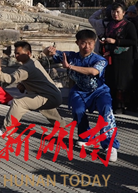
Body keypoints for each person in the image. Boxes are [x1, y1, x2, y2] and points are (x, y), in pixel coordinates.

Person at [43, 29, 119, 162]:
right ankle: (85, 137)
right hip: (79, 91)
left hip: (99, 91)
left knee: (106, 109)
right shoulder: (71, 56)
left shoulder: (99, 59)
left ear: (94, 43)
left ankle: (110, 145)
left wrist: (70, 67)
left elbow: (94, 71)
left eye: (90, 43)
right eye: (83, 43)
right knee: (78, 111)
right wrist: (48, 51)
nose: (87, 47)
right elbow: (49, 53)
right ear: (77, 43)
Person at [0, 41, 67, 137]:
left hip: (49, 97)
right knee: (37, 101)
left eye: (19, 53)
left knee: (18, 103)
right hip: (54, 95)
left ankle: (6, 130)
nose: (16, 55)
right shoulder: (34, 61)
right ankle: (59, 123)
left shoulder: (26, 68)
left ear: (28, 53)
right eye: (15, 53)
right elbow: (34, 78)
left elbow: (10, 79)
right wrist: (23, 85)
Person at [101, 3, 137, 114]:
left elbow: (133, 41)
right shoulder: (110, 24)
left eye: (117, 12)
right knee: (111, 80)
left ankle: (121, 105)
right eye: (113, 12)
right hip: (111, 57)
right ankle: (111, 103)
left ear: (123, 13)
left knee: (121, 82)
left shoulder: (128, 25)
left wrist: (116, 41)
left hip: (124, 58)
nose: (115, 14)